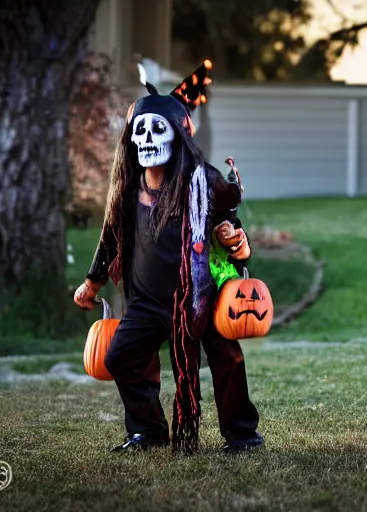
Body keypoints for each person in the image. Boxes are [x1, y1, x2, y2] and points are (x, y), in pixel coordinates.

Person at [73, 60, 263, 455]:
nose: (145, 137)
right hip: (146, 302)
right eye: (138, 130)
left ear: (177, 135)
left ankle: (242, 434)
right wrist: (92, 282)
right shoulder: (127, 188)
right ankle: (148, 431)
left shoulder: (202, 180)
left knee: (226, 359)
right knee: (121, 356)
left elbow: (228, 215)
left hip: (198, 295)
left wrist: (234, 237)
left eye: (156, 128)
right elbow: (111, 236)